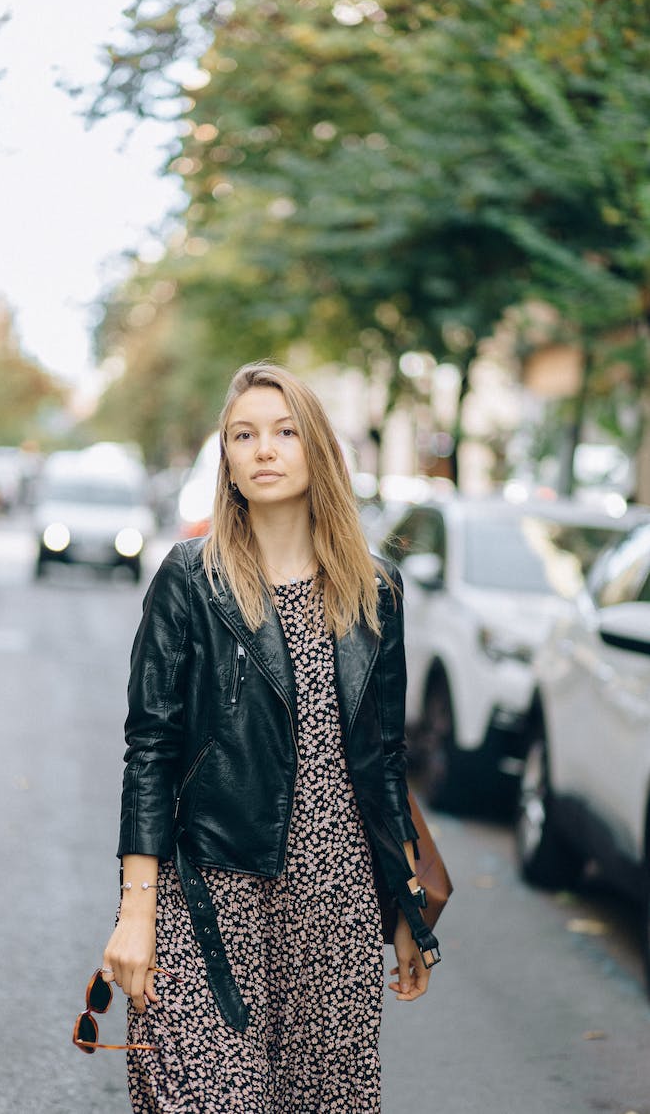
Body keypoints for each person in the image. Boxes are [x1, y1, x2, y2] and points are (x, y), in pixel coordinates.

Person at [100, 362, 440, 1113]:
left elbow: (384, 759)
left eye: (285, 431)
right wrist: (135, 909)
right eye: (243, 435)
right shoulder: (192, 579)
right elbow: (150, 747)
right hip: (210, 889)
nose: (264, 448)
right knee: (205, 1096)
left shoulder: (374, 587)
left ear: (317, 448)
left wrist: (406, 902)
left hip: (335, 898)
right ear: (226, 458)